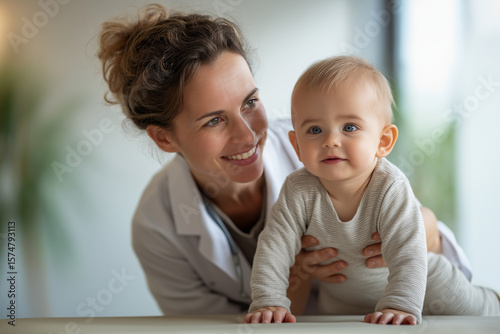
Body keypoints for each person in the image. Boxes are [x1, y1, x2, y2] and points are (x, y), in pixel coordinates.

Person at [97, 4, 473, 316]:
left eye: (250, 102)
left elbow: (458, 282)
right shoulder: (157, 226)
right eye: (214, 119)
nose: (247, 135)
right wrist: (296, 276)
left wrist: (427, 232)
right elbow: (215, 330)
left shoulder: (328, 148)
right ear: (165, 137)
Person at [245, 56, 500, 325]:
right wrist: (268, 300)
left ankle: (492, 301)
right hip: (343, 303)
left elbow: (408, 254)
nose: (331, 140)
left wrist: (400, 303)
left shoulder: (390, 186)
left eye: (350, 127)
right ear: (297, 146)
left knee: (475, 313)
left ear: (383, 141)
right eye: (315, 129)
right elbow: (274, 247)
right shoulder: (297, 190)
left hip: (424, 289)